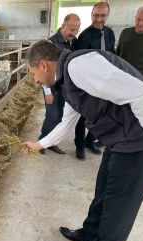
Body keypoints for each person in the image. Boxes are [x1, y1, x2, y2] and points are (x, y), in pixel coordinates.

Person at [22, 40, 143, 241]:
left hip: (141, 141)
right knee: (103, 191)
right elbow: (66, 124)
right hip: (120, 140)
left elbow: (141, 94)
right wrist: (38, 144)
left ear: (44, 65)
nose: (35, 80)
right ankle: (90, 235)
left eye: (33, 72)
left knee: (119, 207)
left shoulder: (80, 67)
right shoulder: (67, 80)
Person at [74, 2, 116, 160]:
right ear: (91, 15)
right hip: (88, 83)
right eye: (96, 15)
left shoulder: (110, 34)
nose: (99, 19)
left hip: (105, 81)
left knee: (100, 114)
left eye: (102, 15)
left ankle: (89, 141)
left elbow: (112, 55)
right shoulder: (84, 36)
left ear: (107, 16)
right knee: (83, 115)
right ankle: (79, 145)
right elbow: (78, 62)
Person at [39, 13, 81, 155]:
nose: (73, 33)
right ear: (63, 26)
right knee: (52, 116)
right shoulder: (50, 44)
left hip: (65, 86)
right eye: (71, 29)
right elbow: (42, 69)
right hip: (52, 87)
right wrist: (48, 92)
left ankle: (52, 142)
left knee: (60, 117)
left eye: (76, 30)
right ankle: (42, 142)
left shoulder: (73, 41)